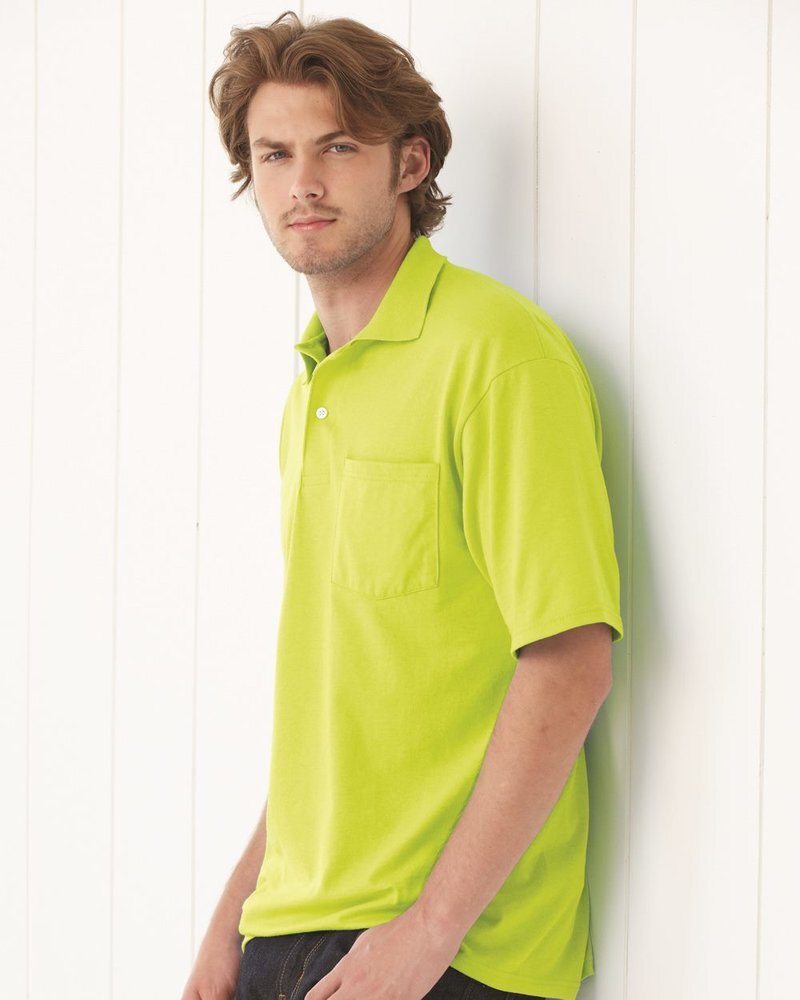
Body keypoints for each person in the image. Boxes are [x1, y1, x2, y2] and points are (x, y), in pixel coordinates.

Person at [182, 10, 624, 1000]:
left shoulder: (495, 355)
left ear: (409, 163)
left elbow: (568, 663)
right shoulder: (311, 391)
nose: (302, 181)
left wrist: (427, 934)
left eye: (338, 147)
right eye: (275, 153)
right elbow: (347, 704)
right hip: (287, 934)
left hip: (447, 952)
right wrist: (232, 915)